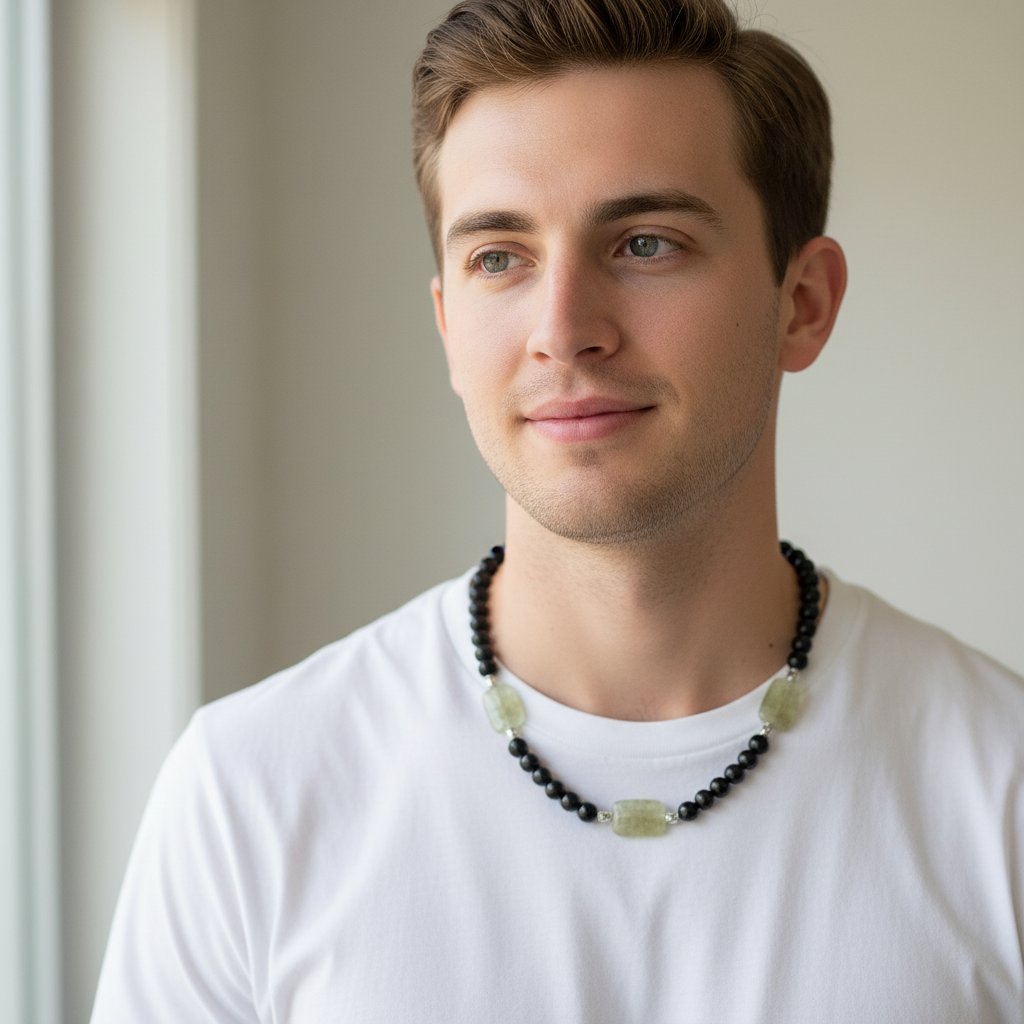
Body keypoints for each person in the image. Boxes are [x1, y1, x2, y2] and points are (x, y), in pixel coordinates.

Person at [92, 0, 1024, 1020]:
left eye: (646, 243)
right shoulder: (251, 795)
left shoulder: (999, 787)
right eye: (499, 256)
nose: (564, 329)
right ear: (448, 323)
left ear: (801, 303)